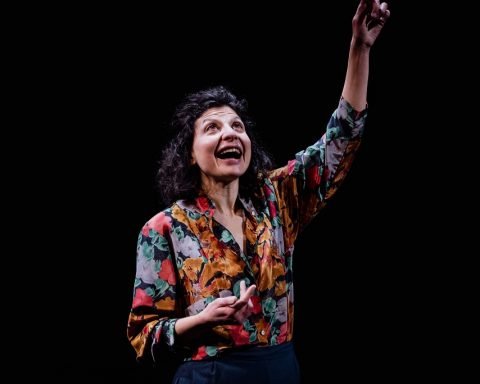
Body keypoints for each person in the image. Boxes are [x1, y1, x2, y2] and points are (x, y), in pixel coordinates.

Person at [127, 1, 390, 382]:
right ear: (189, 153)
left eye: (236, 125)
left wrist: (360, 48)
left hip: (280, 368)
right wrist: (199, 321)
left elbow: (340, 139)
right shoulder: (164, 229)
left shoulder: (275, 198)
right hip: (211, 373)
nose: (230, 133)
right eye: (212, 128)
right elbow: (143, 337)